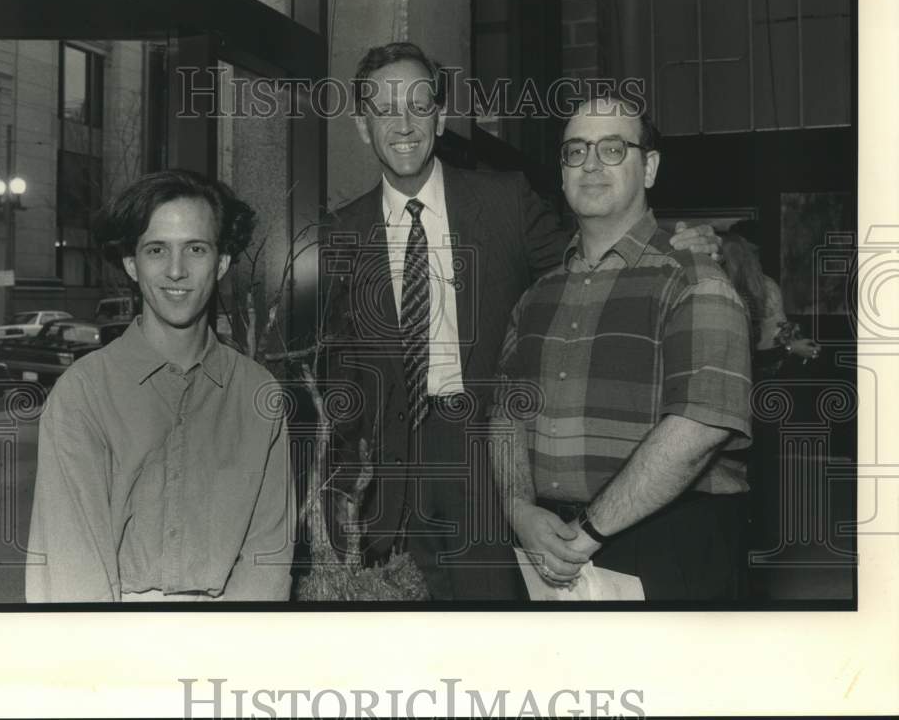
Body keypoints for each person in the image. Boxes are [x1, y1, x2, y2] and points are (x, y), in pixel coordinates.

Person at [322, 42, 720, 600]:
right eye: (385, 109)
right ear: (364, 127)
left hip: (489, 456)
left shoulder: (504, 199)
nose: (404, 123)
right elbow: (337, 374)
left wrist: (677, 241)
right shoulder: (340, 232)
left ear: (440, 116)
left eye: (419, 104)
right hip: (387, 479)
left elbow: (593, 262)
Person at [491, 96, 753, 601]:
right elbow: (505, 414)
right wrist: (519, 509)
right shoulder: (535, 296)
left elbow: (700, 427)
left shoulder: (694, 280)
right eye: (575, 151)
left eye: (613, 149)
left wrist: (588, 532)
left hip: (667, 545)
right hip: (546, 542)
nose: (590, 164)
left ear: (649, 167)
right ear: (561, 173)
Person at [26, 169, 295, 602]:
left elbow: (269, 557)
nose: (175, 270)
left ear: (222, 261)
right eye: (156, 250)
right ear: (132, 264)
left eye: (196, 249)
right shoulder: (83, 394)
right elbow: (71, 569)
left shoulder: (257, 394)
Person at [721, 227, 820, 377]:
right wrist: (791, 348)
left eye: (754, 252)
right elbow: (741, 355)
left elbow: (777, 336)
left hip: (764, 377)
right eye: (750, 252)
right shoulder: (717, 288)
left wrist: (794, 340)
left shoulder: (767, 286)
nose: (753, 258)